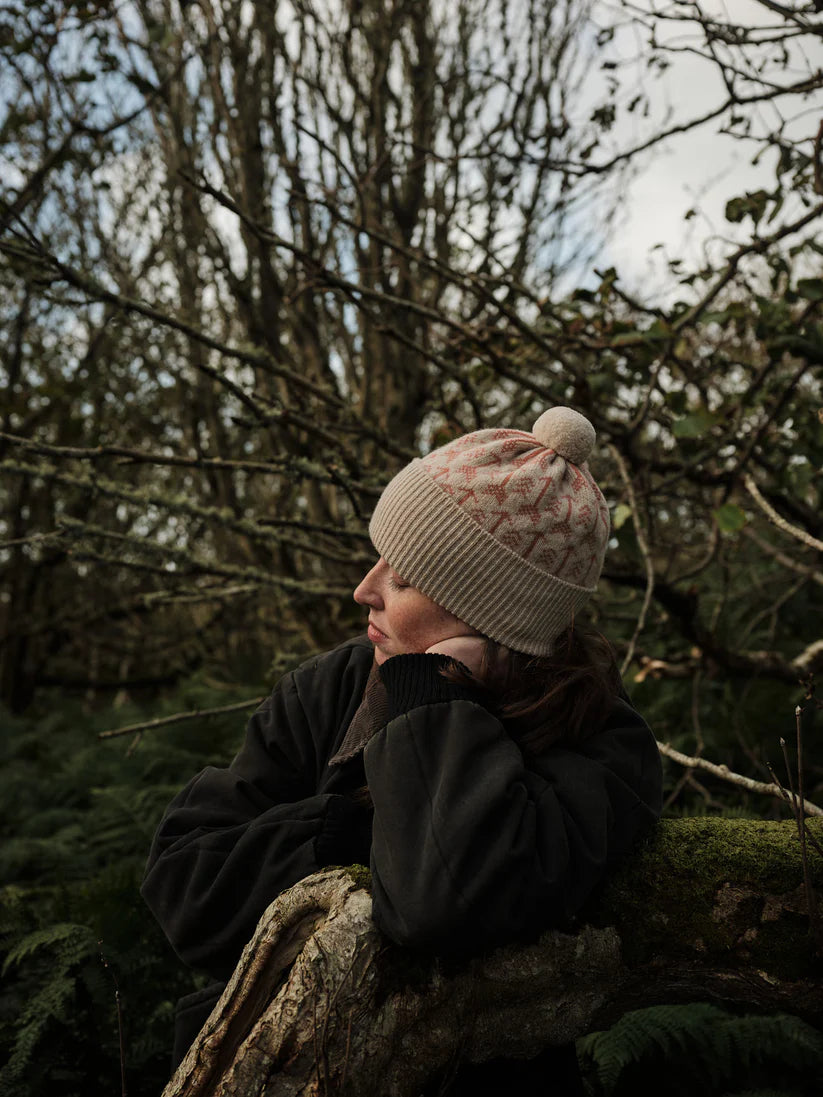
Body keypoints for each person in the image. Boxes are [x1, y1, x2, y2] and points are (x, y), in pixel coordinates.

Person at [141, 406, 663, 1094]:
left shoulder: (600, 749)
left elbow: (433, 900)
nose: (364, 589)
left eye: (406, 578)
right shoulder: (331, 688)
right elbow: (184, 884)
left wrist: (428, 695)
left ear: (490, 615)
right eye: (380, 557)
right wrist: (356, 829)